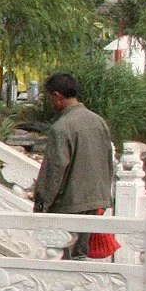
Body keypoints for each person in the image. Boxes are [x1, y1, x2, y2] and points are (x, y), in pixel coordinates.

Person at [34, 72, 117, 259]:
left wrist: (42, 203)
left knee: (67, 256)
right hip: (95, 200)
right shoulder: (98, 121)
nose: (50, 103)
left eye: (50, 98)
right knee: (82, 254)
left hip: (70, 202)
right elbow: (108, 160)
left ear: (57, 96)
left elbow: (55, 171)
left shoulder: (62, 127)